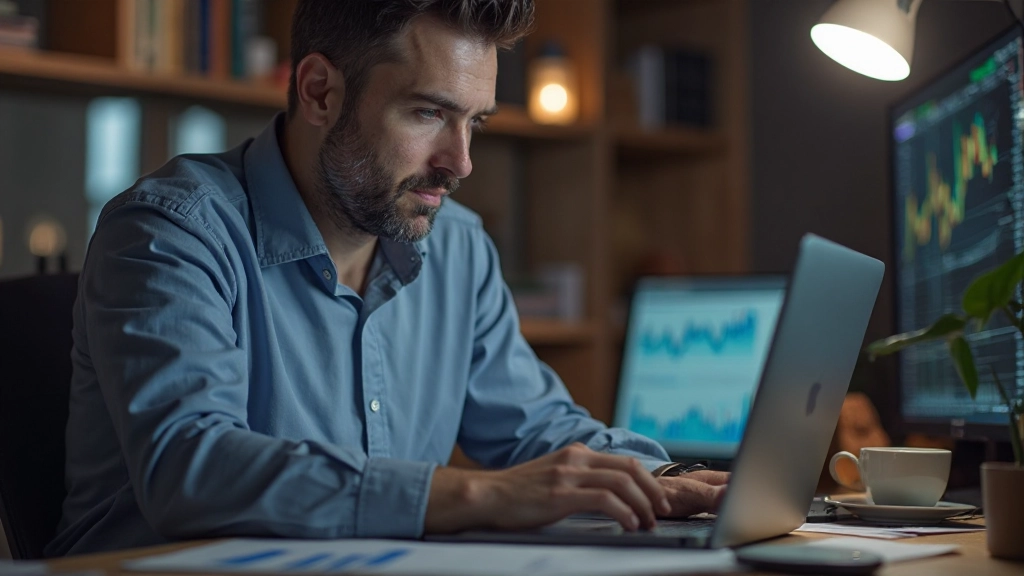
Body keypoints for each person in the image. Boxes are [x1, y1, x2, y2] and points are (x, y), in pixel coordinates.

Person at [46, 0, 727, 557]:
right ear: (320, 91)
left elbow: (538, 428)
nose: (460, 162)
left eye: (475, 122)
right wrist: (482, 494)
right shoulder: (169, 231)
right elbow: (192, 469)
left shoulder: (459, 247)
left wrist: (675, 481)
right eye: (428, 113)